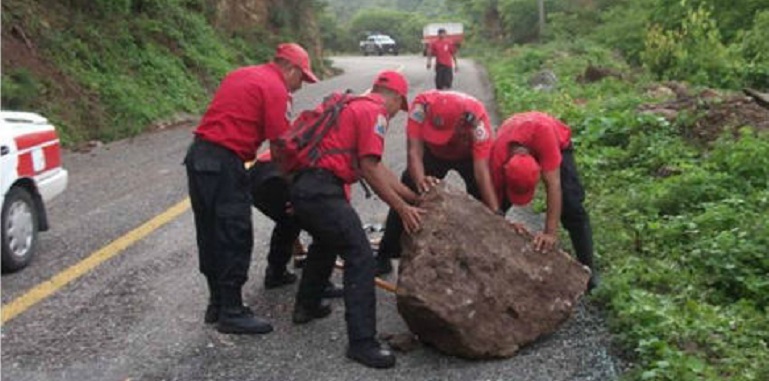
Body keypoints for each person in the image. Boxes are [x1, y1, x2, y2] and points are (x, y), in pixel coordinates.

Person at [287, 70, 423, 368]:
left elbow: (379, 167)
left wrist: (413, 198)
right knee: (359, 256)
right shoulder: (375, 113)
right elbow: (370, 169)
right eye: (399, 109)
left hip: (302, 188)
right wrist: (402, 208)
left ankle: (306, 307)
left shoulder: (352, 105)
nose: (396, 115)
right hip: (323, 190)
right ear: (397, 98)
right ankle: (362, 343)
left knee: (326, 240)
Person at [183, 43, 318, 334]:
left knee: (209, 232)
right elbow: (280, 145)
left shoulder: (241, 74)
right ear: (290, 69)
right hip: (224, 162)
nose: (300, 87)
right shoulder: (276, 88)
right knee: (234, 232)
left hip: (199, 158)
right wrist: (294, 186)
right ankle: (232, 311)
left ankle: (217, 304)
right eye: (301, 79)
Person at [376, 90, 498, 275]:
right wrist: (420, 182)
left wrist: (495, 213)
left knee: (485, 202)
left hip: (467, 155)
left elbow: (481, 172)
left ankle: (485, 257)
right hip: (433, 153)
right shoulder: (421, 106)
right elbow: (414, 152)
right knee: (408, 190)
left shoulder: (476, 119)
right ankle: (385, 254)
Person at [489, 111, 599, 290]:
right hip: (514, 132)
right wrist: (504, 224)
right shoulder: (497, 157)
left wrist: (550, 233)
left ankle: (589, 271)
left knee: (572, 206)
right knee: (499, 205)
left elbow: (554, 185)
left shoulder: (545, 137)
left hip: (555, 139)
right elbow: (491, 203)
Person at [248, 151, 343, 298]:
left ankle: (276, 273)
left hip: (258, 173)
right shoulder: (342, 159)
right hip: (280, 174)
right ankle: (319, 285)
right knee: (323, 227)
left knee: (288, 220)